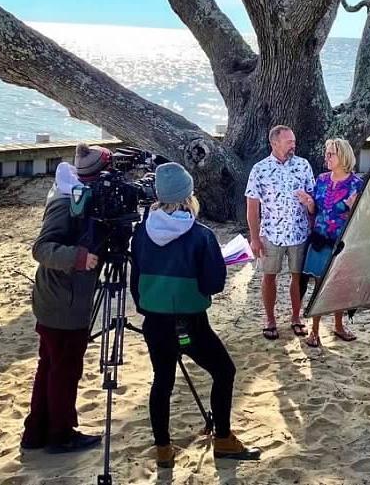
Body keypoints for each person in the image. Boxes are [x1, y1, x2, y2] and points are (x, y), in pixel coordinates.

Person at [130, 162, 261, 468]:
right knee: (224, 371)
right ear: (188, 196)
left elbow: (135, 281)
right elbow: (213, 284)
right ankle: (223, 440)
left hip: (155, 320)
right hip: (190, 320)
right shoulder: (201, 235)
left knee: (162, 381)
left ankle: (163, 449)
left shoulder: (141, 232)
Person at [20, 143, 111, 454]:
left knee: (50, 365)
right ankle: (60, 435)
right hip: (62, 301)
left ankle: (36, 432)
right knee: (64, 369)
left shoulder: (80, 197)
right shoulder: (65, 199)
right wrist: (79, 258)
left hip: (61, 299)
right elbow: (42, 249)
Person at [245, 125, 315, 341]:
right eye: (289, 141)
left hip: (299, 233)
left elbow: (314, 200)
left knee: (298, 277)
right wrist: (254, 238)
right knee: (269, 276)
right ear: (274, 143)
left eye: (294, 141)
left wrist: (309, 202)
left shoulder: (303, 165)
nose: (293, 145)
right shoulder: (260, 169)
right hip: (271, 234)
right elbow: (252, 208)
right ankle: (270, 320)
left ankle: (296, 318)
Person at [297, 138, 363, 348]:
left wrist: (353, 208)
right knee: (318, 285)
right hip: (319, 239)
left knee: (339, 285)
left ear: (343, 156)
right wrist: (309, 202)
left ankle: (338, 326)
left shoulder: (356, 183)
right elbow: (315, 211)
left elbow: (360, 218)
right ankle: (314, 331)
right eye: (326, 153)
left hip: (341, 242)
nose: (326, 157)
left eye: (331, 154)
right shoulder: (322, 179)